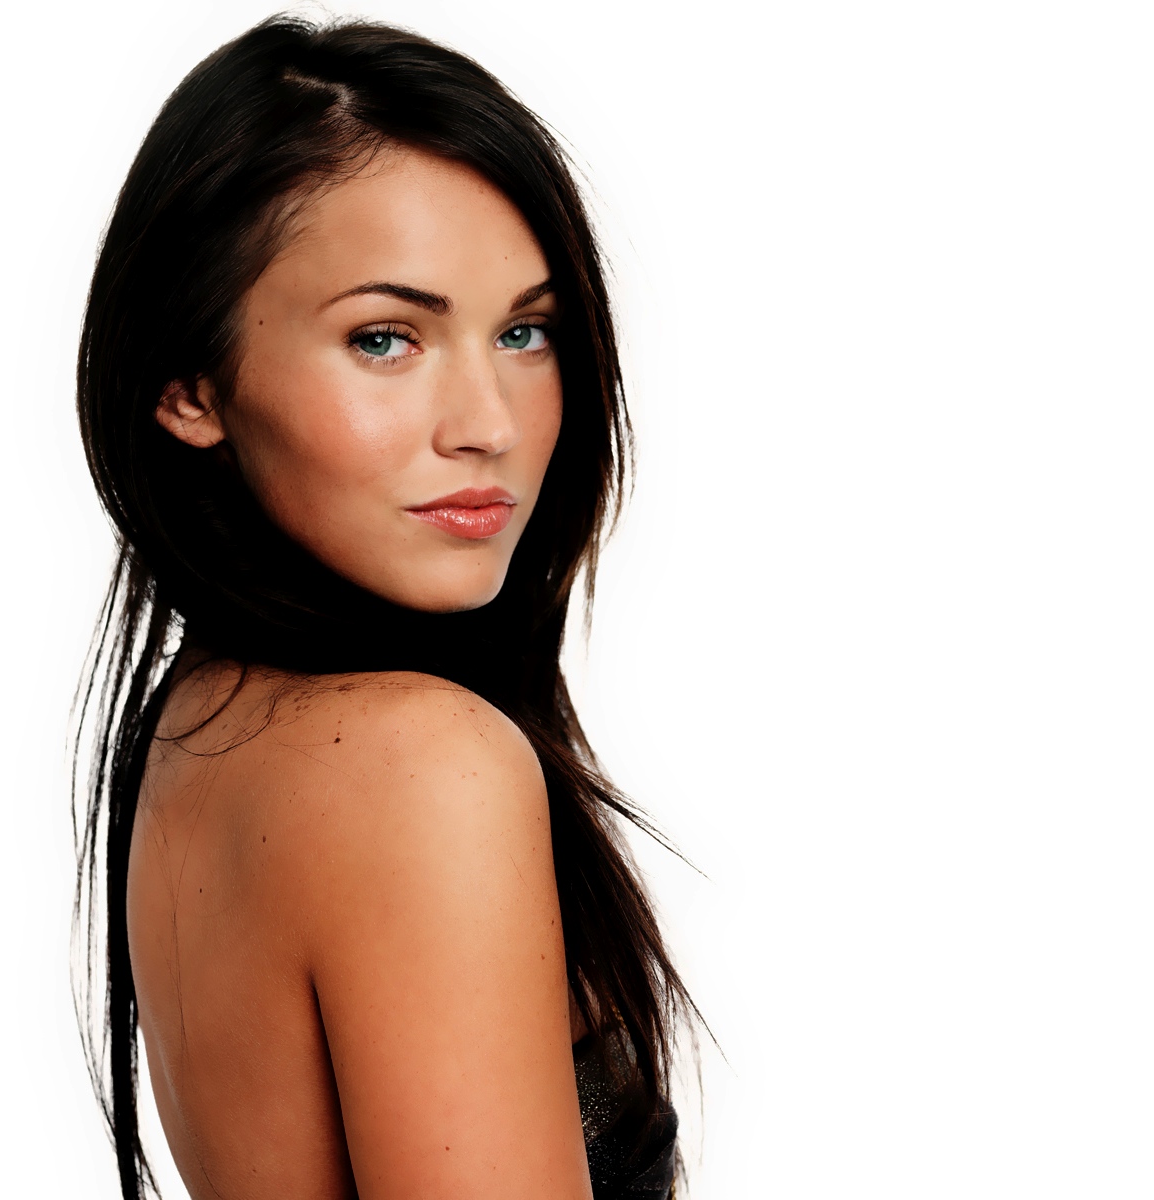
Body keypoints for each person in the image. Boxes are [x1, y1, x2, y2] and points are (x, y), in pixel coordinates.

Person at [71, 16, 697, 1199]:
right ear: (190, 387)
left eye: (525, 332)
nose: (489, 424)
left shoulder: (211, 717)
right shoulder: (417, 763)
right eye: (384, 338)